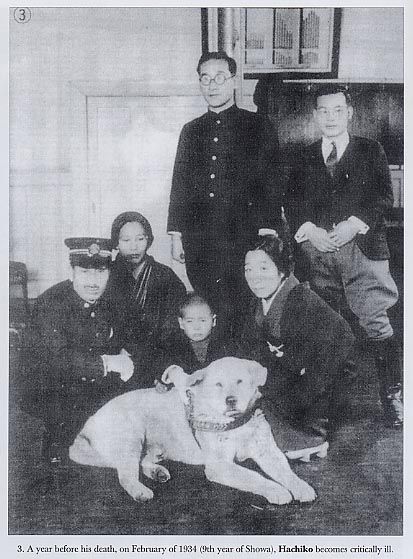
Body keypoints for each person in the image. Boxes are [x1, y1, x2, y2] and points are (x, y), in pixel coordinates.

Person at [285, 84, 403, 428]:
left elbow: (383, 196)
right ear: (315, 115)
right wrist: (310, 229)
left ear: (349, 113)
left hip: (362, 250)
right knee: (326, 326)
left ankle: (394, 397)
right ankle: (327, 401)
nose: (330, 118)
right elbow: (292, 201)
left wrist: (354, 224)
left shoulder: (370, 150)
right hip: (319, 252)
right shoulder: (304, 155)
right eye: (323, 111)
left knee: (375, 322)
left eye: (338, 110)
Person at [167, 50, 283, 335]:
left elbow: (272, 180)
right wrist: (176, 234)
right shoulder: (191, 130)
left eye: (220, 77)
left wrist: (268, 230)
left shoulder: (258, 126)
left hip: (244, 237)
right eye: (205, 79)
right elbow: (179, 183)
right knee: (211, 305)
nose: (212, 85)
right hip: (200, 241)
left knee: (245, 309)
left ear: (233, 81)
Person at [241, 233, 356, 458]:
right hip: (296, 376)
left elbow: (331, 355)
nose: (254, 277)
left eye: (263, 268)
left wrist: (271, 389)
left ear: (282, 270)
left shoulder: (302, 301)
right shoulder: (260, 302)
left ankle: (311, 438)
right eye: (248, 269)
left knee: (262, 417)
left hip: (327, 384)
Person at [22, 237, 135, 466]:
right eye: (85, 272)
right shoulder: (51, 303)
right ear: (72, 272)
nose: (93, 282)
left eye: (100, 273)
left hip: (93, 381)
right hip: (51, 383)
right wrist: (108, 363)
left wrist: (127, 352)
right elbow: (58, 359)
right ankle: (56, 437)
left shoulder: (115, 299)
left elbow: (132, 336)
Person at [106, 211, 187, 348]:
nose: (134, 247)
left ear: (148, 240)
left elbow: (173, 330)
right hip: (116, 356)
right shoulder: (107, 274)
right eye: (126, 240)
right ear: (116, 243)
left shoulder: (166, 277)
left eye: (140, 239)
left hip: (157, 354)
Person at [151, 293, 243, 385]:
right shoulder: (172, 344)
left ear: (213, 321)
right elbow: (161, 363)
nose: (196, 327)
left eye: (202, 320)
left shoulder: (226, 344)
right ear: (181, 323)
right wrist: (163, 381)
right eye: (190, 321)